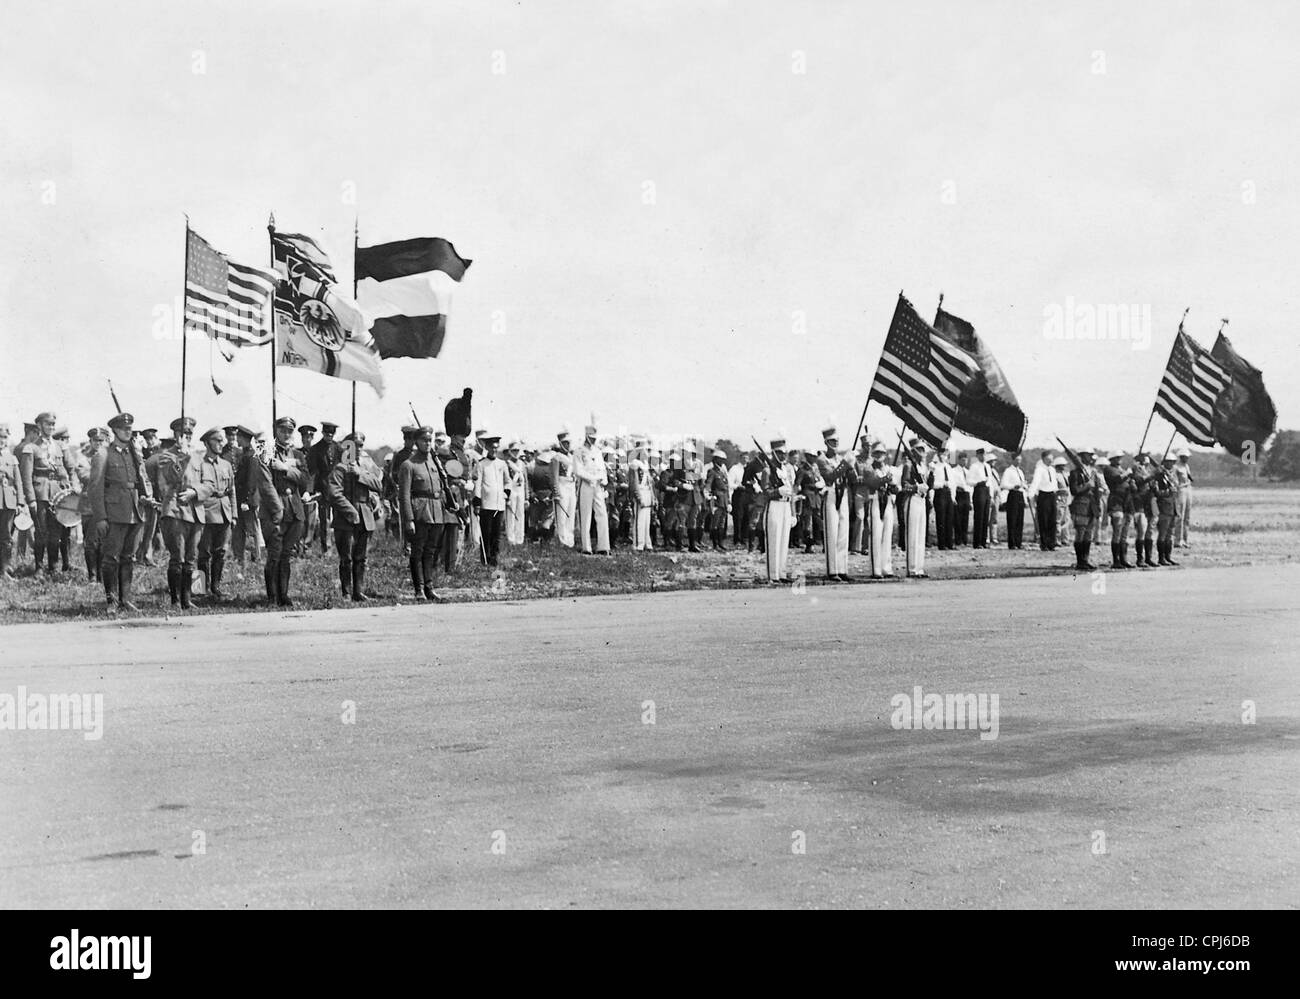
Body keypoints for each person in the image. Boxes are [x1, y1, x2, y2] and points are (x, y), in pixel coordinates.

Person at [87, 412, 153, 613]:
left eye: (130, 428)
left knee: (128, 557)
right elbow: (95, 488)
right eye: (124, 428)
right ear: (114, 430)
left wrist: (146, 495)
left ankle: (126, 599)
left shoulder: (135, 454)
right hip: (114, 512)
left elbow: (142, 480)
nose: (128, 431)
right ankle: (112, 602)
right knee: (111, 558)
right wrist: (100, 517)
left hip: (135, 511)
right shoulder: (103, 454)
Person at [146, 417, 198, 608]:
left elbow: (206, 482)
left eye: (189, 434)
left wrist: (196, 492)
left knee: (192, 557)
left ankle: (189, 598)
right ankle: (176, 600)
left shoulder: (198, 456)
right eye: (182, 434)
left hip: (195, 510)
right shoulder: (167, 456)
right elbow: (172, 477)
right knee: (178, 556)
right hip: (175, 509)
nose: (186, 438)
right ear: (175, 435)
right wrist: (183, 456)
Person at [325, 431, 382, 601]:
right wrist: (351, 512)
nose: (357, 449)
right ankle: (347, 592)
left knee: (361, 557)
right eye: (353, 445)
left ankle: (359, 591)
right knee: (347, 557)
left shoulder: (365, 466)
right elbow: (334, 494)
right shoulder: (340, 467)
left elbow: (378, 484)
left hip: (365, 517)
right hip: (346, 519)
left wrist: (360, 474)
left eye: (360, 445)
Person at [399, 426, 453, 601]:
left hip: (437, 511)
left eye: (430, 440)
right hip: (420, 511)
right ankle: (419, 588)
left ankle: (429, 586)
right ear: (417, 442)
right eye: (424, 440)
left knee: (431, 551)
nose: (428, 443)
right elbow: (404, 495)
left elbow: (440, 488)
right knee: (418, 551)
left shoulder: (434, 462)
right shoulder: (409, 465)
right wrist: (408, 519)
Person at [18, 411, 74, 574]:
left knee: (56, 532)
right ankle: (39, 568)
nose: (51, 427)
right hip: (40, 493)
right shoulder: (31, 448)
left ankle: (53, 566)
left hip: (58, 494)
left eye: (52, 424)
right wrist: (31, 500)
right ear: (40, 426)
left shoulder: (60, 446)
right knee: (41, 532)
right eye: (47, 424)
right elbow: (26, 477)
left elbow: (71, 468)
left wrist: (71, 486)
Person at [267, 416, 312, 606]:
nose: (286, 434)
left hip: (294, 508)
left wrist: (285, 468)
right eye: (282, 430)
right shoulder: (267, 452)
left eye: (289, 431)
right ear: (276, 431)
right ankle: (272, 597)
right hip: (276, 507)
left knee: (286, 554)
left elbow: (305, 479)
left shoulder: (298, 455)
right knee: (274, 554)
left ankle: (283, 595)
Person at [193, 427, 237, 600]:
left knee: (220, 552)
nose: (221, 444)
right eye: (217, 441)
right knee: (202, 552)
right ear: (207, 443)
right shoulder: (198, 464)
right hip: (205, 512)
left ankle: (215, 587)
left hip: (224, 512)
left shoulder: (226, 464)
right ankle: (198, 589)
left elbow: (232, 490)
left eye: (222, 441)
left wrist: (234, 514)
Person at [815, 424, 853, 580]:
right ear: (826, 442)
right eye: (832, 441)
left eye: (836, 441)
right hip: (831, 494)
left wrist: (851, 465)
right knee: (832, 532)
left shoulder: (839, 458)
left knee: (843, 532)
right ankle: (833, 570)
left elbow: (852, 477)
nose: (835, 444)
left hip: (842, 493)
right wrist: (845, 464)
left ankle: (842, 568)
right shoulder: (822, 459)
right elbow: (830, 476)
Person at [859, 440, 897, 579]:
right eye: (876, 453)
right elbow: (873, 482)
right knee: (876, 534)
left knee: (887, 534)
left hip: (886, 501)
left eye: (881, 453)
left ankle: (886, 567)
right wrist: (885, 480)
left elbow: (895, 488)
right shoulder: (869, 468)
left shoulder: (888, 469)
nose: (879, 455)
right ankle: (876, 568)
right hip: (874, 500)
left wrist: (892, 485)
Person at [760, 433, 796, 583]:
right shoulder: (767, 471)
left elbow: (792, 491)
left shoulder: (787, 470)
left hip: (786, 506)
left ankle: (781, 572)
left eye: (784, 453)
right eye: (779, 452)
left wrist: (793, 513)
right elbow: (766, 492)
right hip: (774, 505)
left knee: (783, 540)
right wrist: (777, 492)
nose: (782, 455)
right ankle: (772, 574)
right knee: (774, 540)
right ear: (774, 453)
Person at [574, 424, 610, 555]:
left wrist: (603, 480)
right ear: (586, 437)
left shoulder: (597, 451)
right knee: (586, 515)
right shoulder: (579, 451)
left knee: (602, 514)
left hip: (598, 485)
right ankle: (586, 546)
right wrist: (591, 478)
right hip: (586, 484)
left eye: (595, 438)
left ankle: (603, 546)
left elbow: (602, 468)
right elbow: (578, 470)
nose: (594, 440)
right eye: (591, 438)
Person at [76, 429, 106, 581]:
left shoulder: (109, 457)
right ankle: (92, 575)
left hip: (106, 506)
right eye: (96, 441)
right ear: (91, 442)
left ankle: (101, 574)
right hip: (89, 505)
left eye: (101, 441)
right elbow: (85, 476)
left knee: (103, 542)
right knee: (90, 542)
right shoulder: (83, 459)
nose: (99, 444)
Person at [0, 423, 29, 580]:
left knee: (7, 537)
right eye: (0, 437)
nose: (1, 440)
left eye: (4, 437)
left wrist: (20, 502)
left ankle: (5, 568)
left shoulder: (11, 458)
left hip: (9, 502)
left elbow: (18, 481)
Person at [474, 433, 508, 566]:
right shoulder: (481, 464)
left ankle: (494, 558)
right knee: (486, 533)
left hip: (499, 504)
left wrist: (507, 493)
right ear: (487, 447)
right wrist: (477, 501)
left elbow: (507, 481)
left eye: (496, 447)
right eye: (491, 447)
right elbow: (478, 484)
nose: (494, 450)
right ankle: (485, 558)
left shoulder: (502, 464)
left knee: (496, 533)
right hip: (486, 504)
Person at [308, 421, 342, 554]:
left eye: (332, 433)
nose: (329, 436)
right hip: (323, 488)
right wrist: (314, 490)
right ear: (322, 433)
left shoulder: (338, 448)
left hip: (337, 488)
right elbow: (313, 471)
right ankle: (326, 548)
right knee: (325, 520)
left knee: (339, 519)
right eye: (327, 433)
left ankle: (339, 547)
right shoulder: (315, 449)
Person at [1066, 446, 1102, 571]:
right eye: (1088, 455)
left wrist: (1098, 507)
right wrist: (1087, 486)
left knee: (1088, 535)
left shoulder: (1092, 472)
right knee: (1080, 533)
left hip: (1091, 506)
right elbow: (1074, 490)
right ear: (1082, 456)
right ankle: (1080, 561)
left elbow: (1097, 491)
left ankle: (1085, 560)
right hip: (1081, 505)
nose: (1090, 457)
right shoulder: (1075, 473)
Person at [899, 440, 929, 577]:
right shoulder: (908, 465)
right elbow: (904, 486)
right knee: (912, 534)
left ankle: (919, 567)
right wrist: (916, 487)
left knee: (921, 534)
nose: (922, 453)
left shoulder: (922, 466)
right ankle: (912, 568)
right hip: (912, 499)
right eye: (919, 449)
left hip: (922, 500)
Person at [1101, 450, 1135, 569]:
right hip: (1116, 502)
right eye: (1117, 457)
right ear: (1112, 459)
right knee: (1117, 531)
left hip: (1127, 502)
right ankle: (1116, 560)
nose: (1120, 459)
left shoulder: (1122, 470)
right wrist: (1128, 473)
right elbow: (1117, 479)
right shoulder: (1109, 469)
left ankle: (1123, 559)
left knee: (1124, 533)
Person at [550, 427, 576, 547]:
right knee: (562, 514)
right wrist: (556, 492)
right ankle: (562, 539)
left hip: (571, 485)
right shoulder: (556, 457)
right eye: (565, 442)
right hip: (562, 485)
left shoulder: (572, 457)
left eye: (569, 442)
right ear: (560, 444)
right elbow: (554, 477)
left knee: (570, 513)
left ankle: (570, 539)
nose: (567, 444)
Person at [1130, 452, 1157, 567]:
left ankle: (1149, 558)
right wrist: (1151, 477)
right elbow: (1140, 481)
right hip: (1140, 502)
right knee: (1142, 530)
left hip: (1150, 502)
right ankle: (1140, 559)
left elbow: (1151, 485)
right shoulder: (1135, 471)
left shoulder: (1148, 471)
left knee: (1150, 530)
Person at [628, 443, 654, 551]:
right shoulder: (635, 464)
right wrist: (638, 497)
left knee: (647, 520)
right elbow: (634, 483)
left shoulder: (646, 465)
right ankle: (639, 543)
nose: (647, 453)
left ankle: (647, 543)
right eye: (645, 451)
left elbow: (650, 484)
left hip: (647, 492)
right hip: (641, 492)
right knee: (639, 519)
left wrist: (652, 497)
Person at [1154, 456, 1180, 566]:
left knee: (1170, 534)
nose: (1171, 464)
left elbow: (1176, 487)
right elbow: (1157, 492)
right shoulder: (1159, 476)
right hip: (1164, 506)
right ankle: (1161, 558)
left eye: (1172, 462)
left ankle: (1168, 556)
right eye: (1168, 462)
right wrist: (1168, 491)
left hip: (1173, 506)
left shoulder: (1172, 475)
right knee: (1163, 534)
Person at [704, 448, 731, 551]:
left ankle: (720, 542)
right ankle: (715, 544)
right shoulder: (712, 472)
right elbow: (708, 484)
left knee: (721, 523)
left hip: (724, 501)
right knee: (715, 523)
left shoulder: (722, 472)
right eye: (721, 459)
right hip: (717, 500)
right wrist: (708, 494)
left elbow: (726, 488)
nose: (723, 461)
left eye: (723, 459)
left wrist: (729, 501)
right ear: (715, 460)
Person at [1030, 451, 1058, 551]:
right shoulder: (1039, 469)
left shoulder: (1052, 470)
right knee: (1044, 520)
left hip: (1052, 495)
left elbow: (1054, 483)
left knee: (1052, 520)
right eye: (1049, 459)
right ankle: (1044, 543)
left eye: (1052, 458)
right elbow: (1035, 482)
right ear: (1044, 459)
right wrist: (1031, 495)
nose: (1051, 460)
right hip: (1043, 495)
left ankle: (1052, 543)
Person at [503, 441, 529, 546]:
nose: (516, 452)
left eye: (517, 450)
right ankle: (511, 539)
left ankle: (520, 539)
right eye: (513, 450)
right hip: (512, 490)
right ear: (510, 451)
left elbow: (526, 481)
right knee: (511, 515)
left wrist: (527, 497)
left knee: (520, 514)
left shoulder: (522, 464)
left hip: (520, 490)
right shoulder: (507, 463)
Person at [1000, 453, 1027, 549]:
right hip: (1013, 494)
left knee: (1020, 520)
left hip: (1020, 494)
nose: (1019, 461)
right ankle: (1012, 543)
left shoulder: (1020, 471)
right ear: (1013, 460)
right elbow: (1003, 484)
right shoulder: (1008, 471)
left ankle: (1018, 542)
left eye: (1020, 459)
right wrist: (1013, 486)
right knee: (1013, 519)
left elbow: (1023, 484)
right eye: (1017, 460)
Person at [928, 449, 954, 550]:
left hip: (948, 492)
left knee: (949, 518)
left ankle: (949, 543)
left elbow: (952, 482)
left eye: (946, 454)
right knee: (941, 519)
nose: (945, 456)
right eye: (943, 454)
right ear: (939, 454)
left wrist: (953, 496)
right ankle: (942, 544)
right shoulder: (934, 466)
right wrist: (942, 484)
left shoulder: (948, 467)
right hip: (940, 492)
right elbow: (931, 484)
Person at [966, 447, 991, 549]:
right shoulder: (974, 467)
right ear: (978, 455)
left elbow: (990, 482)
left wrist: (991, 495)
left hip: (987, 490)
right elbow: (968, 481)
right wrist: (977, 482)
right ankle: (977, 543)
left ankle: (983, 541)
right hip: (979, 489)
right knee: (979, 517)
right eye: (982, 455)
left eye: (985, 454)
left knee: (985, 516)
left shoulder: (988, 466)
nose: (983, 456)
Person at [1173, 448, 1194, 547]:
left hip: (1188, 489)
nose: (1187, 458)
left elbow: (1190, 478)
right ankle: (1178, 540)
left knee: (1187, 517)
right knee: (1180, 516)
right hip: (1180, 490)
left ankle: (1185, 540)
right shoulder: (1176, 467)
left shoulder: (1187, 466)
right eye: (1185, 457)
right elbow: (1175, 482)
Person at [1053, 455, 1072, 546]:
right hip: (1059, 499)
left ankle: (1065, 538)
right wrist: (1060, 491)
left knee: (1066, 519)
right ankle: (1057, 539)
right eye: (1062, 465)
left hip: (1066, 499)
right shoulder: (1055, 475)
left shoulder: (1065, 474)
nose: (1064, 466)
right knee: (1058, 519)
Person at [952, 452, 971, 546]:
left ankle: (964, 539)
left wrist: (970, 500)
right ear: (959, 460)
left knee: (965, 518)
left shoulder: (967, 472)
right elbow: (954, 483)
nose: (965, 462)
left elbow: (970, 486)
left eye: (966, 460)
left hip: (966, 495)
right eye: (963, 460)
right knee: (958, 518)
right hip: (959, 494)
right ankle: (958, 539)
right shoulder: (954, 471)